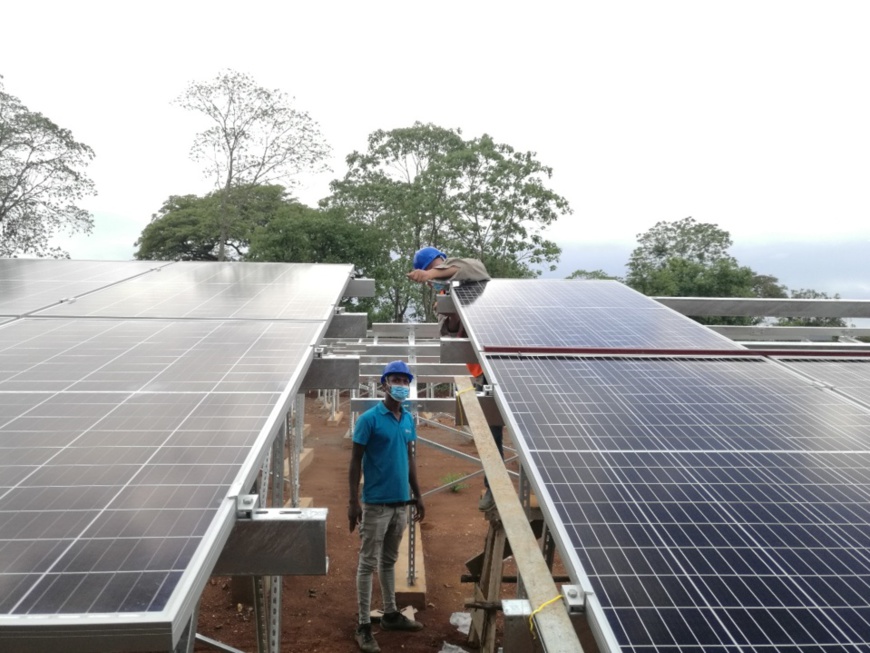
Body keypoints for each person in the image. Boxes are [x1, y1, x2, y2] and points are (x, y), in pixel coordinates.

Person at [407, 246, 504, 512]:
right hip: (480, 369)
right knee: (490, 430)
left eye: (430, 270)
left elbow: (464, 268)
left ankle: (511, 485)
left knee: (515, 424)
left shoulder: (467, 270)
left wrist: (431, 274)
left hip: (500, 356)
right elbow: (448, 334)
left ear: (435, 263)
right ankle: (493, 488)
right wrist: (449, 313)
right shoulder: (443, 295)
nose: (431, 277)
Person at [348, 360, 425, 653]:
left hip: (401, 504)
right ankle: (363, 626)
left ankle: (390, 614)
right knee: (368, 563)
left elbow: (410, 459)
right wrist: (352, 501)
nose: (401, 386)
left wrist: (418, 494)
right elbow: (355, 461)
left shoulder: (407, 420)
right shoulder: (368, 419)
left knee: (389, 561)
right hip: (376, 505)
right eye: (396, 380)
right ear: (384, 384)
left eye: (406, 381)